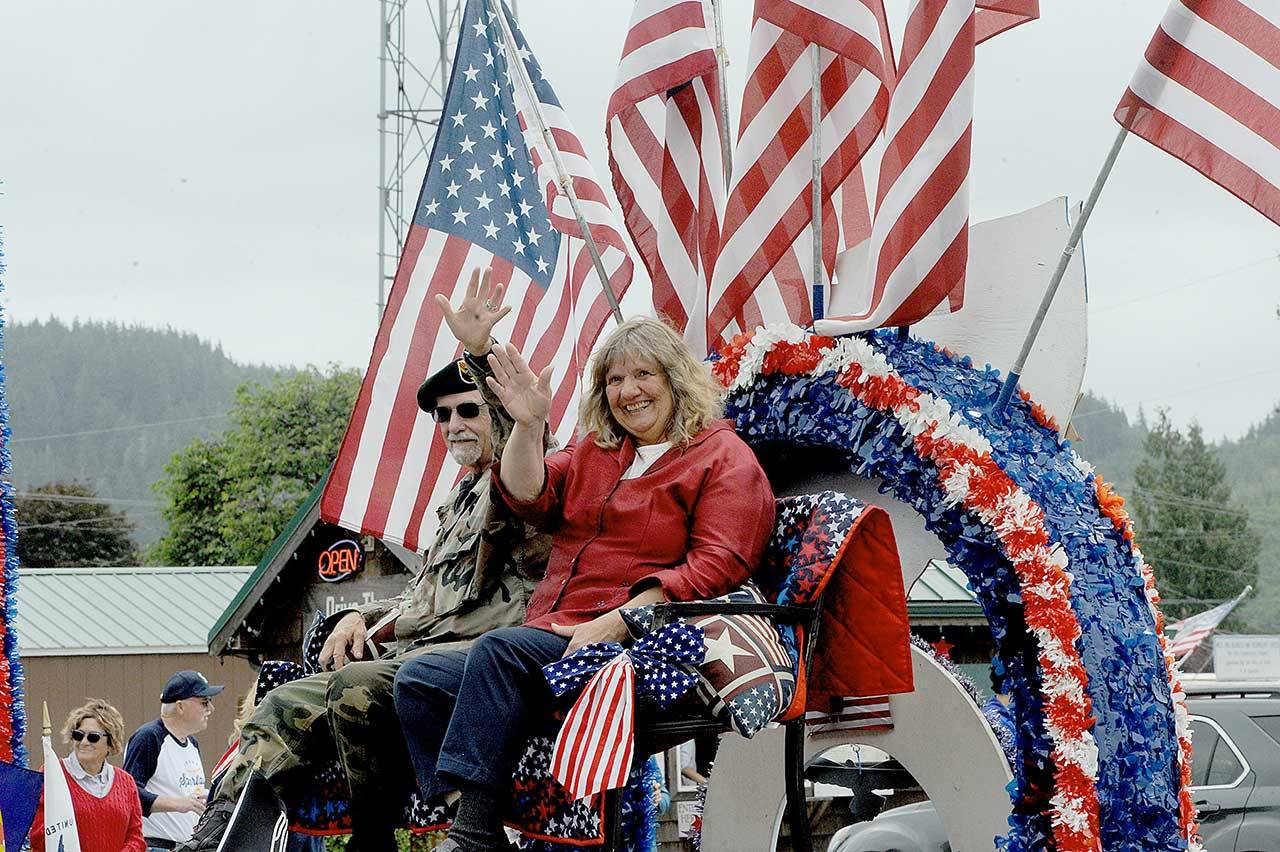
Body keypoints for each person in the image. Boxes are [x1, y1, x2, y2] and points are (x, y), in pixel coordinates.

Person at [393, 286, 776, 852]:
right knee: (417, 681)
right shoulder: (599, 451)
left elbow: (717, 566)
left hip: (641, 639)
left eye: (642, 374)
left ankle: (469, 838)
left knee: (499, 654)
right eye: (613, 380)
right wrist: (526, 426)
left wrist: (621, 620)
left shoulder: (724, 458)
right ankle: (487, 830)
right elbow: (530, 495)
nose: (628, 391)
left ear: (676, 380)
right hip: (558, 631)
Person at [179, 270, 551, 852]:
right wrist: (361, 616)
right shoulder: (457, 496)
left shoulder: (518, 488)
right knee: (280, 704)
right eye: (443, 415)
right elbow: (427, 589)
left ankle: (372, 835)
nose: (453, 425)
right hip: (418, 650)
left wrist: (480, 351)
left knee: (352, 685)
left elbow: (524, 428)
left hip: (480, 655)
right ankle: (218, 839)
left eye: (468, 410)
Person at [30, 699, 147, 852]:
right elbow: (39, 837)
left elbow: (136, 837)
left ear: (110, 742)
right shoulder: (53, 774)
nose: (84, 742)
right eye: (78, 735)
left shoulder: (126, 782)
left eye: (93, 737)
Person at [124, 670, 221, 851]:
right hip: (157, 845)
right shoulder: (148, 737)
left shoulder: (192, 743)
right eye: (204, 702)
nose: (211, 708)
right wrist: (179, 803)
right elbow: (130, 793)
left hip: (188, 846)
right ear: (180, 706)